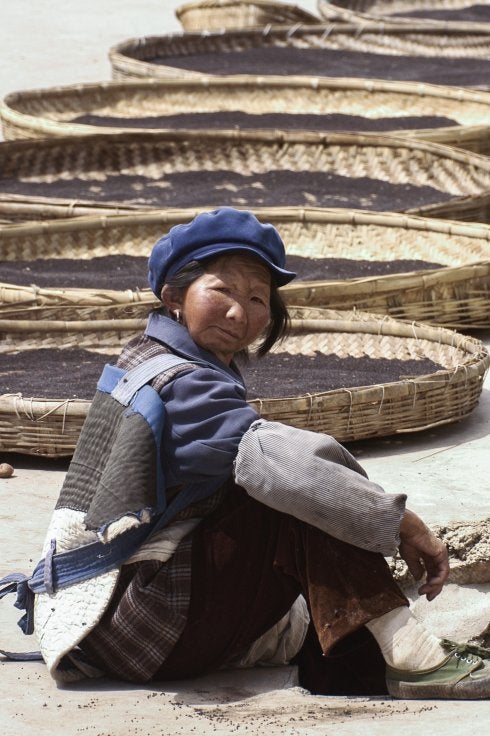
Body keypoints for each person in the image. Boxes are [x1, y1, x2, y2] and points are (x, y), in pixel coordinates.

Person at [19, 207, 490, 697]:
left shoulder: (157, 356)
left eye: (257, 298)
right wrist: (402, 523)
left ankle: (363, 662)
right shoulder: (179, 381)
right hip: (134, 630)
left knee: (293, 485)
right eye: (221, 290)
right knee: (292, 492)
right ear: (174, 296)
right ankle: (412, 657)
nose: (239, 313)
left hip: (131, 620)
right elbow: (282, 466)